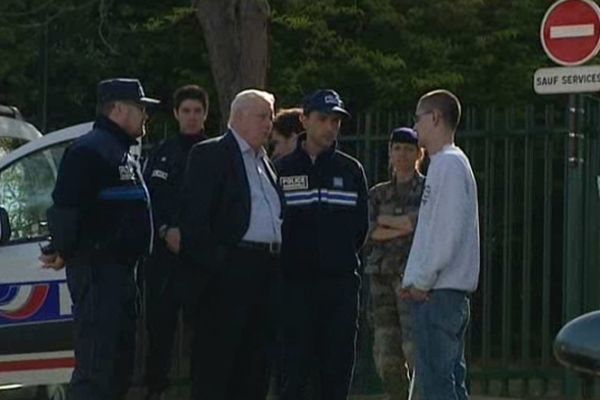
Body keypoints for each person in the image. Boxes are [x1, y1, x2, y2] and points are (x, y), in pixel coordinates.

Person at [39, 78, 159, 400]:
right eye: (140, 108)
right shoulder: (89, 150)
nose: (146, 116)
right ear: (118, 109)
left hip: (122, 274)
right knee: (96, 369)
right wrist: (63, 247)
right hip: (98, 272)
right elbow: (66, 207)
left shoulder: (120, 151)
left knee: (119, 368)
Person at [179, 89, 282, 400]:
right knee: (218, 366)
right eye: (262, 116)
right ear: (238, 118)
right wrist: (219, 266)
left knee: (255, 366)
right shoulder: (210, 154)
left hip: (266, 272)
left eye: (271, 117)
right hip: (229, 272)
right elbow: (195, 220)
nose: (269, 123)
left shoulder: (266, 162)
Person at [276, 89, 369, 400]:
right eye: (323, 119)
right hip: (294, 287)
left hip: (339, 286)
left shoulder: (351, 170)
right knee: (294, 372)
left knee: (336, 372)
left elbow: (360, 229)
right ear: (304, 120)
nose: (330, 127)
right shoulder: (282, 170)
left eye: (336, 121)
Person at [401, 89, 480, 400]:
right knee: (448, 380)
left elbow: (444, 234)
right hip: (444, 292)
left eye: (419, 118)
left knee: (437, 384)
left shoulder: (447, 165)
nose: (416, 126)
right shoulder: (448, 164)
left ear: (434, 117)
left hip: (438, 293)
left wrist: (422, 281)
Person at [142, 84, 210, 400]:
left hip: (201, 259)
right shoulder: (161, 153)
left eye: (197, 111)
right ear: (176, 114)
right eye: (186, 111)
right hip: (164, 259)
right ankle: (156, 390)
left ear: (206, 115)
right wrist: (165, 230)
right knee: (160, 330)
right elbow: (148, 201)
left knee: (205, 333)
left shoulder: (216, 154)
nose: (192, 117)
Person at [365, 127, 424, 400]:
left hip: (413, 277)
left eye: (408, 149)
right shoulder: (378, 193)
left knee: (414, 348)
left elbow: (422, 224)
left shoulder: (427, 189)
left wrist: (387, 223)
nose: (402, 155)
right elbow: (368, 232)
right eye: (397, 149)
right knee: (386, 351)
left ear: (418, 154)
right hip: (381, 276)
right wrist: (404, 225)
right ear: (390, 153)